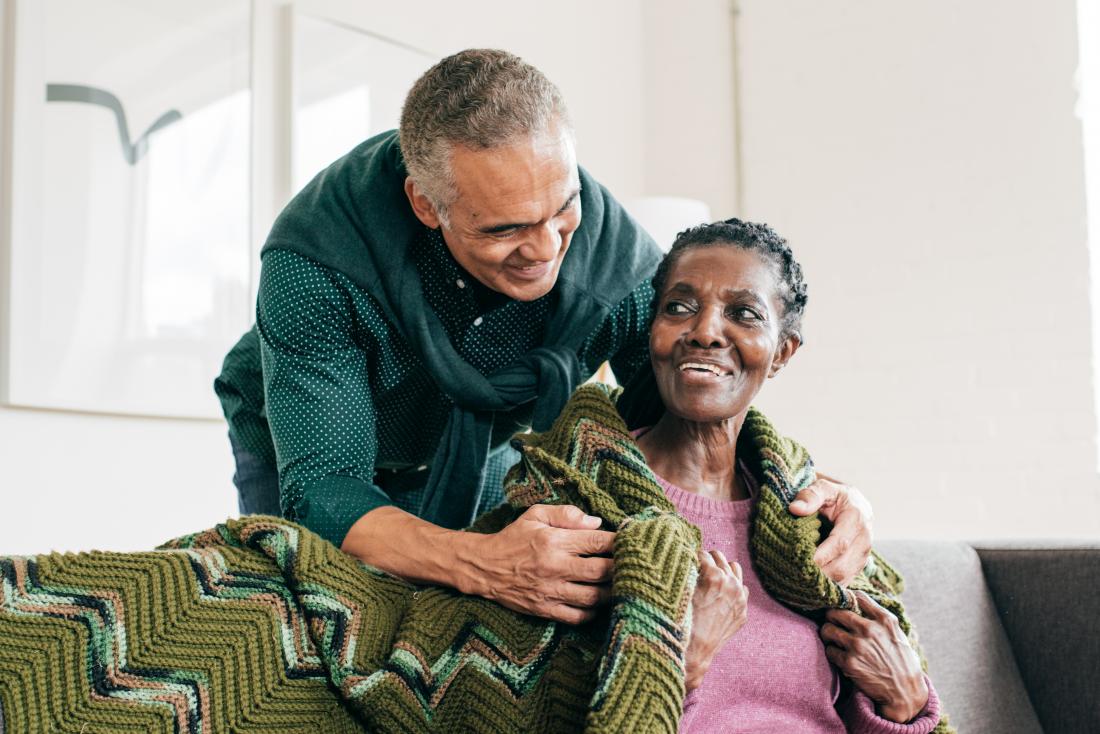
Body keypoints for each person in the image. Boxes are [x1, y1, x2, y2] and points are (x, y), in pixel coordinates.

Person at [214, 49, 875, 625]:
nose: (545, 249)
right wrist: (480, 561)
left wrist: (821, 493)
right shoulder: (316, 260)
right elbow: (327, 486)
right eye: (505, 229)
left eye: (563, 208)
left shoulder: (620, 266)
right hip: (308, 452)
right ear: (425, 204)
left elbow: (685, 429)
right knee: (319, 626)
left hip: (481, 442)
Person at [605, 219, 945, 732]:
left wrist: (906, 699)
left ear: (782, 351)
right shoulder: (583, 505)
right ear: (653, 329)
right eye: (679, 307)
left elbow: (884, 698)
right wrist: (681, 659)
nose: (704, 331)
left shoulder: (813, 523)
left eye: (743, 313)